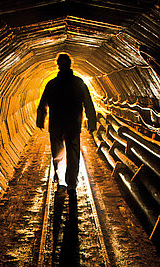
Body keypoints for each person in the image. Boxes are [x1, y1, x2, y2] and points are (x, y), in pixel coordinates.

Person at [36, 53, 97, 198]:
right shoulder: (78, 83)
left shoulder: (52, 84)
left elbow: (43, 103)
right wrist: (91, 120)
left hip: (57, 125)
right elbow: (88, 102)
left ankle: (63, 183)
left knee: (58, 154)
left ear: (58, 65)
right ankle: (71, 185)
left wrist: (40, 118)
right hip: (73, 124)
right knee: (73, 154)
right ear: (70, 64)